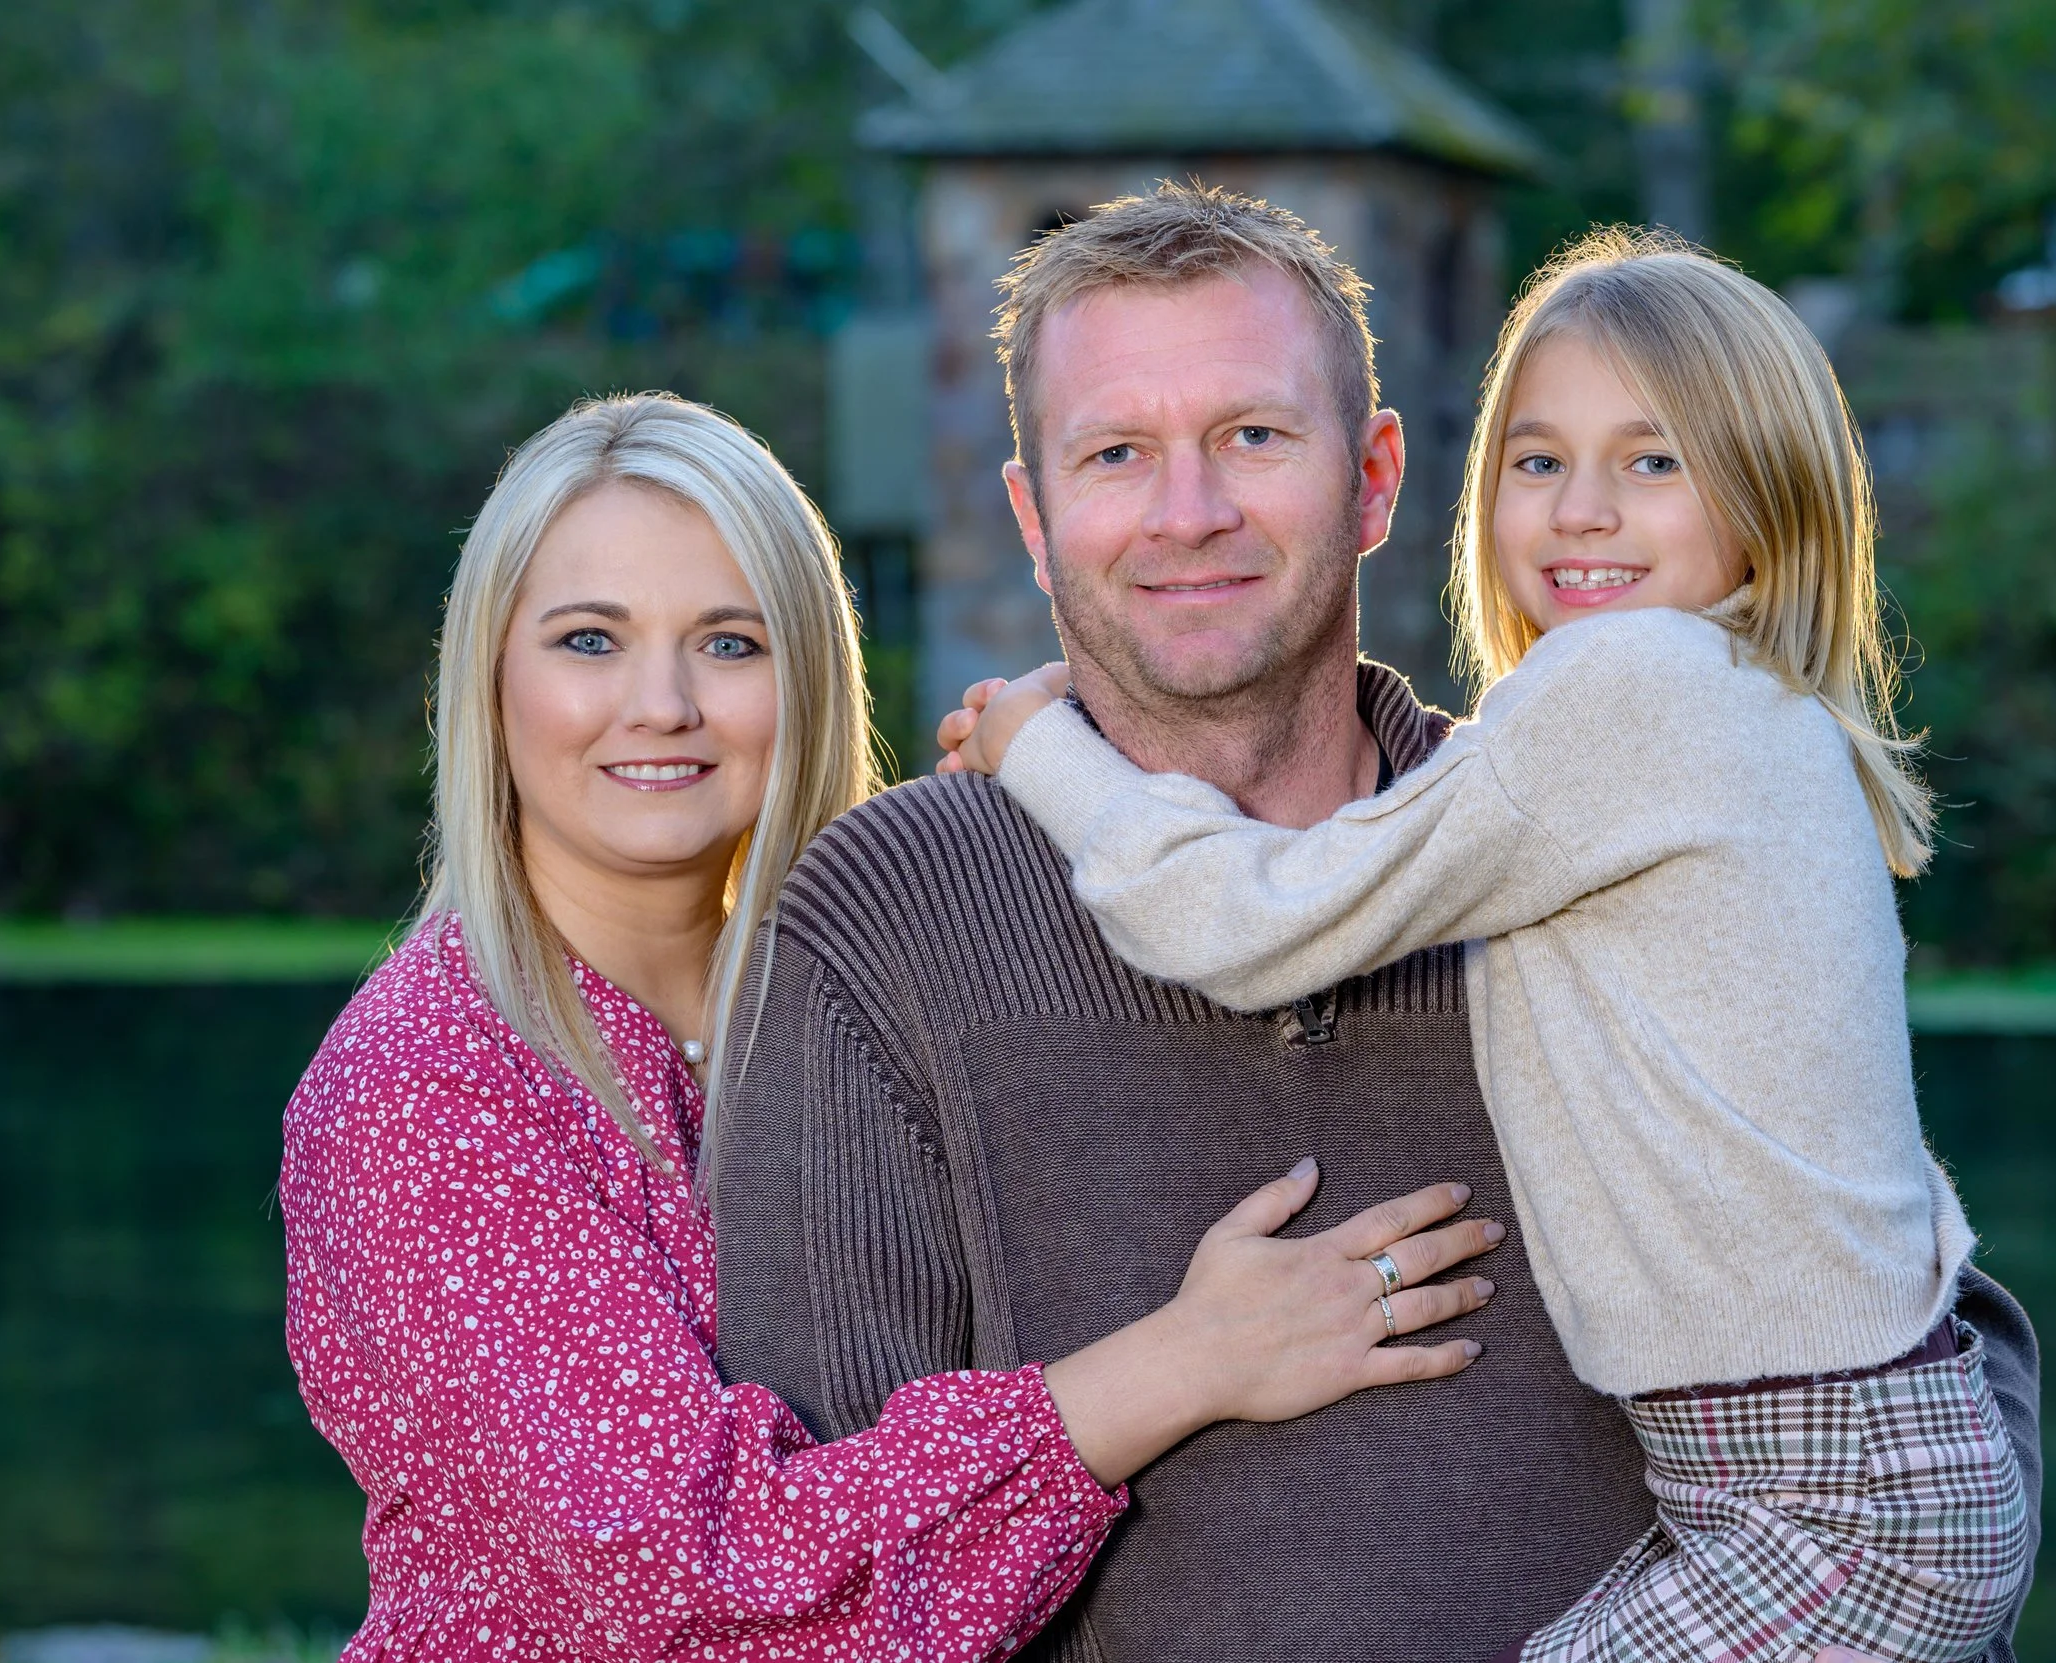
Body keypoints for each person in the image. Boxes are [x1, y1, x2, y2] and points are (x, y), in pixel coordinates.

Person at [708, 183, 2042, 1663]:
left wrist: (1039, 745)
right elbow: (815, 1574)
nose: (1189, 507)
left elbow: (1923, 1299)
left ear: (1379, 475)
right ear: (1033, 514)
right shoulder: (883, 920)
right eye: (1116, 453)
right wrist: (1175, 1364)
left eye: (1255, 436)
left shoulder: (1581, 831)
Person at [277, 392, 1503, 1663]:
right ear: (488, 676)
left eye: (729, 643)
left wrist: (1048, 785)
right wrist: (1186, 1364)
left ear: (807, 674)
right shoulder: (428, 1085)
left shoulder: (831, 995)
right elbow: (696, 1590)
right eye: (589, 641)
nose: (660, 703)